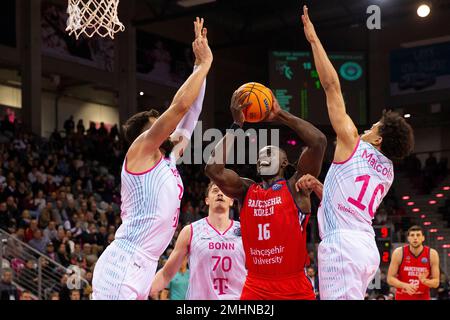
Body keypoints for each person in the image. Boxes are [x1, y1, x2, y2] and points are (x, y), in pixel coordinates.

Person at [92, 17, 213, 300]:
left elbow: (191, 112)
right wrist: (206, 64)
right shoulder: (140, 150)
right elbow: (180, 106)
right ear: (144, 133)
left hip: (144, 264)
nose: (165, 126)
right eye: (157, 123)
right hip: (124, 261)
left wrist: (198, 66)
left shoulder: (168, 158)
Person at [300, 6, 414, 300]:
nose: (368, 127)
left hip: (342, 248)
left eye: (375, 126)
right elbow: (348, 202)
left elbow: (331, 86)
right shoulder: (387, 171)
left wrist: (314, 41)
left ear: (378, 140)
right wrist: (320, 188)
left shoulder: (351, 142)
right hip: (365, 247)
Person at [205, 89, 327, 300]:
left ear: (284, 163)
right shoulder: (246, 191)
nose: (262, 158)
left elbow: (318, 142)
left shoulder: (295, 187)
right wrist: (236, 126)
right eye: (259, 156)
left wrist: (281, 115)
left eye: (269, 153)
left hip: (294, 285)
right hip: (256, 285)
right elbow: (213, 170)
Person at [151, 183, 246, 299]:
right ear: (207, 200)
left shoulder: (245, 230)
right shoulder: (190, 231)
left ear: (231, 201)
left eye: (224, 191)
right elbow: (166, 274)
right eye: (215, 191)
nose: (220, 193)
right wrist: (143, 292)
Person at [387, 225, 440, 300]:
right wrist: (404, 285)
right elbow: (390, 278)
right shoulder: (399, 252)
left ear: (423, 238)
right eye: (412, 235)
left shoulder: (432, 254)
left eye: (418, 235)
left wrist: (425, 281)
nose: (415, 238)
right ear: (408, 238)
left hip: (422, 296)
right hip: (403, 296)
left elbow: (436, 282)